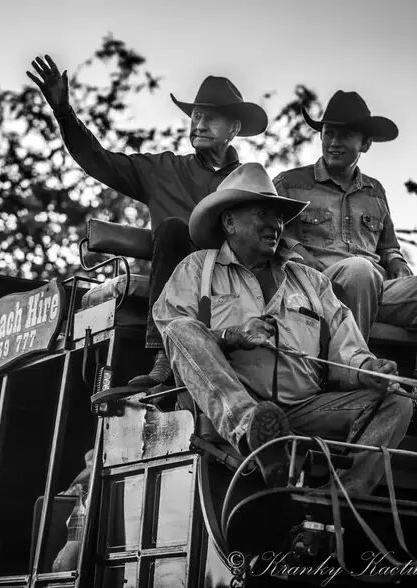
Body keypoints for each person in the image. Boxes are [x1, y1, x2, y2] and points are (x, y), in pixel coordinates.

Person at [153, 162, 412, 493]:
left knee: (397, 402)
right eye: (263, 214)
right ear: (229, 222)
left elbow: (347, 349)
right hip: (227, 409)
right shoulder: (197, 269)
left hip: (304, 409)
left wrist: (368, 369)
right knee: (181, 329)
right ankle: (254, 435)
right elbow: (173, 333)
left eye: (279, 217)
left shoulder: (310, 281)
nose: (275, 225)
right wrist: (230, 336)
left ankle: (342, 498)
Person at [26, 55, 268, 387]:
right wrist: (64, 113)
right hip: (184, 286)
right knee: (171, 229)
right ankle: (164, 354)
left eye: (211, 118)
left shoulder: (250, 182)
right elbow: (97, 161)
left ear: (234, 129)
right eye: (196, 115)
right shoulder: (163, 169)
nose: (199, 124)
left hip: (236, 285)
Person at [273, 90, 417, 363]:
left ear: (365, 144)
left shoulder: (375, 191)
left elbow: (389, 248)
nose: (334, 142)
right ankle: (351, 369)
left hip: (375, 289)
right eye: (329, 133)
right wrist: (307, 262)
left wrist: (398, 263)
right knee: (359, 270)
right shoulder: (290, 183)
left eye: (345, 135)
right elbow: (278, 241)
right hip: (317, 287)